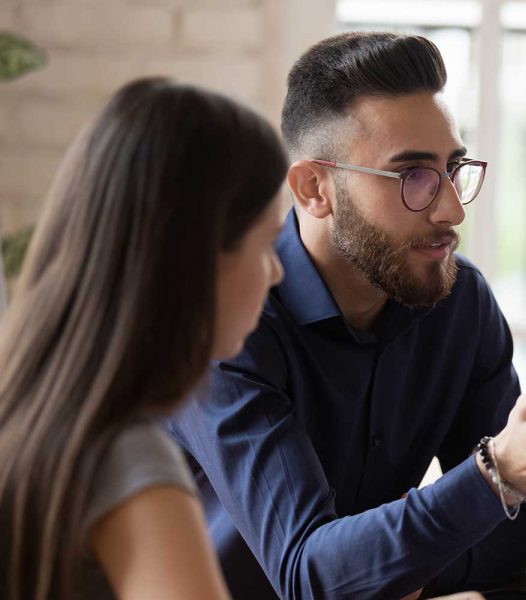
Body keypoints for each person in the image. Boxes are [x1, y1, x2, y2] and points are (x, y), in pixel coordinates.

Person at [168, 31, 526, 600]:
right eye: (412, 175)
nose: (451, 208)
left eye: (452, 168)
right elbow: (307, 574)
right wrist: (494, 476)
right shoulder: (229, 321)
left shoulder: (459, 302)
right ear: (315, 188)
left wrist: (384, 571)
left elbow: (520, 537)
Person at [0, 77, 288, 600]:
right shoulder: (127, 458)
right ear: (197, 261)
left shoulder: (24, 409)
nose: (277, 274)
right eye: (267, 244)